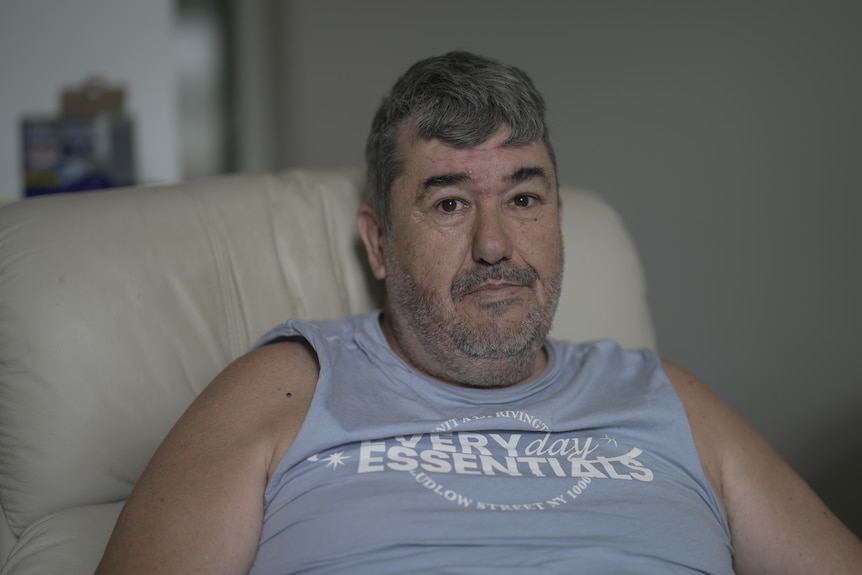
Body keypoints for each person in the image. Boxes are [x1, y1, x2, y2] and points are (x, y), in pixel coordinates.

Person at [95, 51, 862, 574]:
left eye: (524, 198)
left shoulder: (664, 397)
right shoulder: (287, 388)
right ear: (380, 242)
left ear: (558, 215)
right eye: (451, 202)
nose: (496, 244)